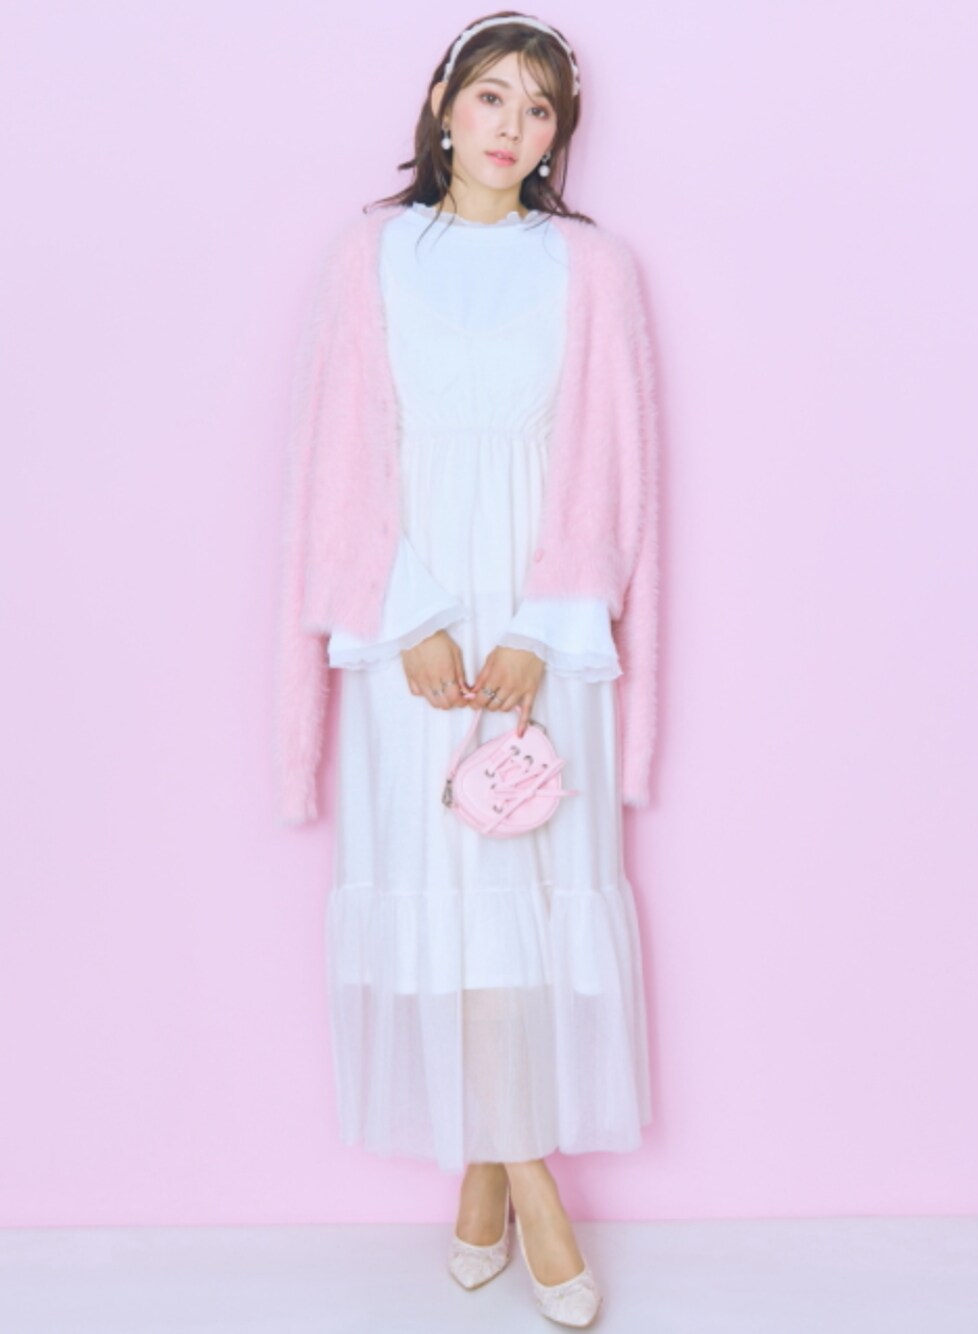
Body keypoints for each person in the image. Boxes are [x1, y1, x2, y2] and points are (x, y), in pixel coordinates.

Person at [274, 12, 661, 1327]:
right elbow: (337, 460)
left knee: (523, 886)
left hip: (546, 629)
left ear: (559, 136)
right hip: (412, 625)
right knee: (446, 889)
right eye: (492, 96)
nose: (511, 126)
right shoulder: (371, 256)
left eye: (539, 108)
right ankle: (528, 1177)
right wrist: (410, 615)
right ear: (443, 102)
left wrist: (540, 629)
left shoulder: (592, 268)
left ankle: (498, 1177)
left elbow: (614, 471)